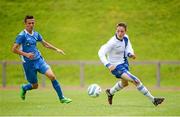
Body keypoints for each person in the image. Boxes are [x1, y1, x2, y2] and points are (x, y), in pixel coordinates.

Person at [98, 22, 164, 106]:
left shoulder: (126, 38)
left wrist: (130, 54)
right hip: (115, 67)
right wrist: (108, 64)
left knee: (124, 84)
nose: (120, 33)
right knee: (136, 81)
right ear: (116, 31)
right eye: (118, 31)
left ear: (125, 31)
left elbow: (128, 48)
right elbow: (101, 52)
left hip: (124, 63)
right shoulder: (112, 42)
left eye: (122, 31)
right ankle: (154, 100)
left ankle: (110, 92)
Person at [12, 15, 72, 104]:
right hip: (28, 64)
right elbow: (14, 49)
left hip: (39, 60)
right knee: (35, 86)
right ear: (25, 24)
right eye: (29, 23)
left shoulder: (36, 34)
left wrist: (57, 49)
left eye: (33, 23)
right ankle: (24, 88)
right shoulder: (22, 36)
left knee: (52, 76)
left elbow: (45, 44)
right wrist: (26, 54)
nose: (31, 25)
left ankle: (62, 98)